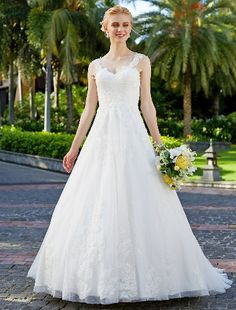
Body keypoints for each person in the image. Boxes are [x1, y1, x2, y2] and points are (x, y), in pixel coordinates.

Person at [27, 5, 233, 305]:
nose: (121, 29)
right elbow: (89, 109)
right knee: (96, 200)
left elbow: (147, 105)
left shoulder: (141, 61)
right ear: (105, 28)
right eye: (115, 25)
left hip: (134, 136)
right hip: (101, 138)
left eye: (125, 24)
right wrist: (74, 147)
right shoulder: (95, 66)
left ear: (130, 27)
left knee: (142, 198)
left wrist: (160, 144)